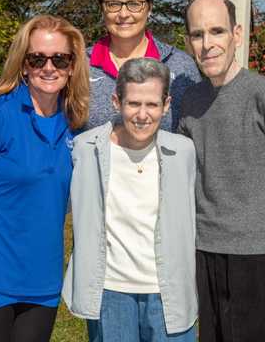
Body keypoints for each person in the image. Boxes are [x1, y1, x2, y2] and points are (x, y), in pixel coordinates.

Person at [178, 0, 265, 342]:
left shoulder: (264, 94)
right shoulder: (190, 101)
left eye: (217, 31)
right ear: (188, 42)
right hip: (201, 252)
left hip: (256, 256)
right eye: (197, 35)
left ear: (237, 35)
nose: (207, 44)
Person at [0, 15, 90, 342]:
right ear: (24, 65)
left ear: (72, 65)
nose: (48, 67)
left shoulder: (77, 125)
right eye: (37, 58)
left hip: (43, 284)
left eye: (60, 59)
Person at [62, 57, 198, 342]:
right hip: (110, 291)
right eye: (133, 103)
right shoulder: (86, 149)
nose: (142, 114)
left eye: (152, 104)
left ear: (167, 104)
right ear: (116, 101)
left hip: (167, 290)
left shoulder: (183, 151)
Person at [87, 0, 201, 131]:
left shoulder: (180, 66)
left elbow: (196, 133)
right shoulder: (79, 65)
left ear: (149, 8)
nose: (123, 14)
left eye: (134, 4)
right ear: (102, 9)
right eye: (113, 4)